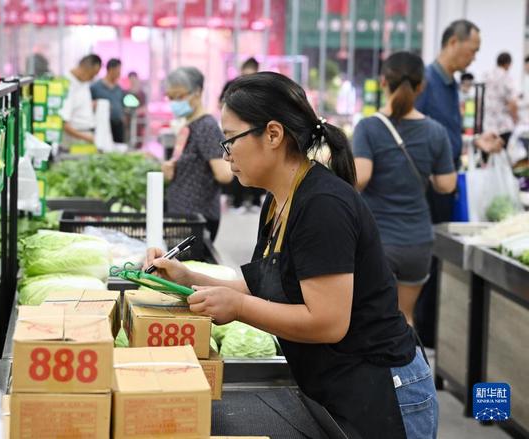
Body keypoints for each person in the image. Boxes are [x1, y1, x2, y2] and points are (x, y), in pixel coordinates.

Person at [147, 72, 438, 439]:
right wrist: (189, 278)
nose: (227, 153)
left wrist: (236, 308)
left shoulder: (322, 205)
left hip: (383, 392)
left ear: (273, 134)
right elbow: (272, 284)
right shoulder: (278, 200)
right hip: (336, 388)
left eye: (231, 140)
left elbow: (328, 322)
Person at [414, 19, 504, 347]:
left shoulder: (451, 85)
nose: (474, 57)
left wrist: (476, 142)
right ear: (454, 42)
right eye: (473, 50)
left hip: (447, 185)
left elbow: (447, 136)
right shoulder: (424, 82)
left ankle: (433, 333)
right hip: (426, 189)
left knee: (439, 260)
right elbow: (412, 132)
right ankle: (420, 333)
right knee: (425, 259)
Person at [353, 52, 457, 326]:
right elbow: (447, 185)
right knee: (404, 318)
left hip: (378, 241)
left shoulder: (368, 127)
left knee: (372, 318)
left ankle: (376, 371)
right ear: (421, 86)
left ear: (383, 81)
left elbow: (361, 177)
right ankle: (408, 371)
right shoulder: (436, 131)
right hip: (417, 242)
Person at [162, 67, 232, 241]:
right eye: (171, 97)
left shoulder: (206, 127)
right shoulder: (189, 125)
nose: (174, 102)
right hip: (184, 216)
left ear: (198, 92)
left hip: (198, 219)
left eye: (179, 96)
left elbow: (224, 174)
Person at [219, 57, 266, 212]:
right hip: (238, 132)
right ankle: (237, 201)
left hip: (254, 132)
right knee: (237, 163)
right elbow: (221, 103)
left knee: (256, 165)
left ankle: (255, 202)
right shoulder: (232, 86)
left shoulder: (259, 87)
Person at [60, 54, 101, 146]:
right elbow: (63, 124)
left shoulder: (83, 82)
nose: (92, 79)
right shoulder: (67, 86)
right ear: (84, 68)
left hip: (85, 136)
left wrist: (90, 105)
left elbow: (77, 105)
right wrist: (87, 137)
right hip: (75, 139)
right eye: (92, 75)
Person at [483, 52, 519, 148]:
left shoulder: (487, 75)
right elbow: (513, 103)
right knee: (505, 156)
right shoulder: (507, 77)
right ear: (507, 64)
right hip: (503, 125)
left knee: (490, 156)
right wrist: (516, 119)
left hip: (488, 124)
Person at [91, 58, 125, 143]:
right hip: (103, 125)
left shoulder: (119, 88)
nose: (119, 73)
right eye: (118, 70)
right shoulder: (96, 87)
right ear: (111, 69)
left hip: (118, 125)